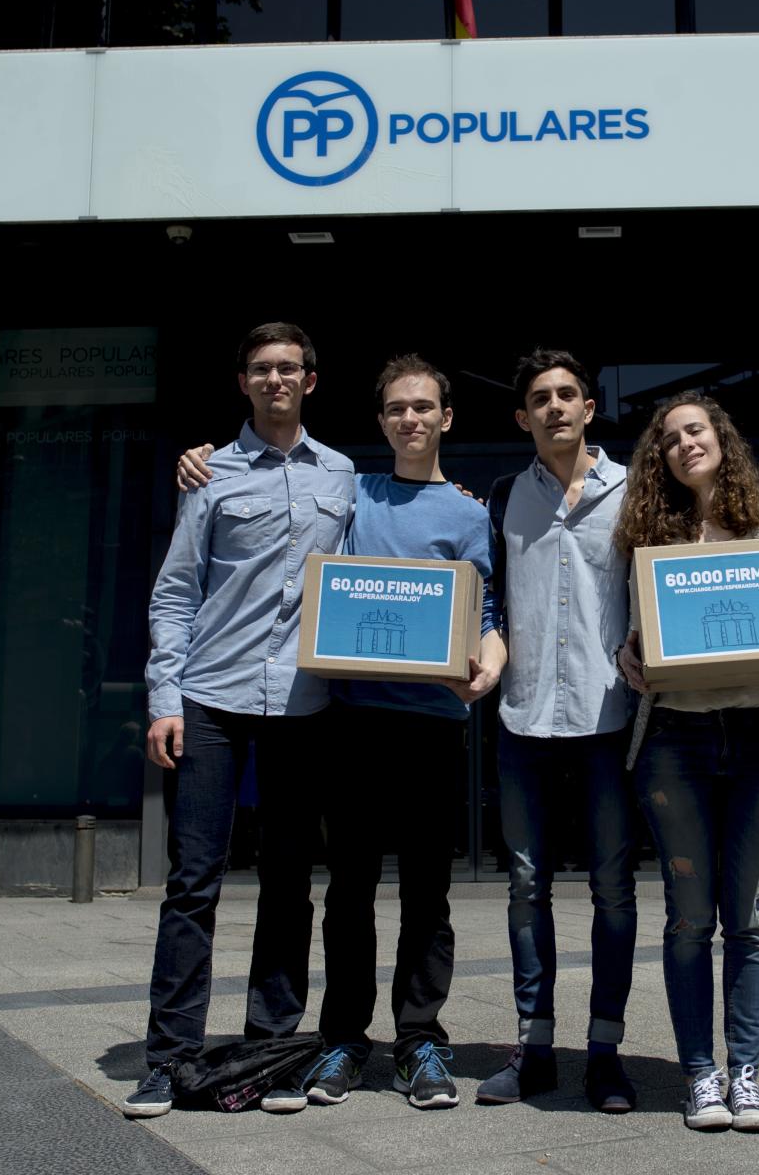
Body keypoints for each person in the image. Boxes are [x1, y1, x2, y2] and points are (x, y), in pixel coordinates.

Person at [175, 354, 507, 1110]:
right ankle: (344, 1041)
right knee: (349, 892)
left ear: (446, 419)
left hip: (431, 725)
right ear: (382, 421)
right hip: (351, 722)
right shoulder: (349, 492)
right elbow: (280, 497)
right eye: (396, 410)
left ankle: (420, 1039)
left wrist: (486, 664)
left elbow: (483, 612)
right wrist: (200, 460)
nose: (410, 420)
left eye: (424, 408)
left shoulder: (466, 512)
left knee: (428, 893)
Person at [124, 323, 355, 1120]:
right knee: (193, 883)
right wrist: (163, 699)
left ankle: (272, 1051)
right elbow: (175, 592)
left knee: (289, 885)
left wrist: (453, 501)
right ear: (244, 383)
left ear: (311, 381)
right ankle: (168, 1057)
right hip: (211, 699)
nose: (276, 379)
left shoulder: (344, 475)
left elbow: (374, 567)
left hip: (304, 703)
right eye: (262, 369)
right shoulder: (208, 474)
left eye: (290, 367)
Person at [613, 392, 759, 1133]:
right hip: (674, 741)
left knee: (750, 920)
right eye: (670, 439)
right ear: (662, 459)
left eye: (695, 431)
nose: (684, 445)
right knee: (688, 921)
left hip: (757, 739)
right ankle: (699, 1076)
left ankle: (746, 1075)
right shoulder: (651, 534)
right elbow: (629, 638)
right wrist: (627, 659)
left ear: (720, 439)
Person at [478, 349, 641, 1113]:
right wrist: (486, 648)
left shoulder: (636, 492)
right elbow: (487, 604)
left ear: (590, 407)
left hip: (609, 718)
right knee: (524, 884)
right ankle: (534, 1044)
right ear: (523, 417)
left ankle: (604, 1051)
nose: (555, 407)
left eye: (567, 395)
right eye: (540, 398)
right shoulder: (504, 496)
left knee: (613, 890)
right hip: (523, 719)